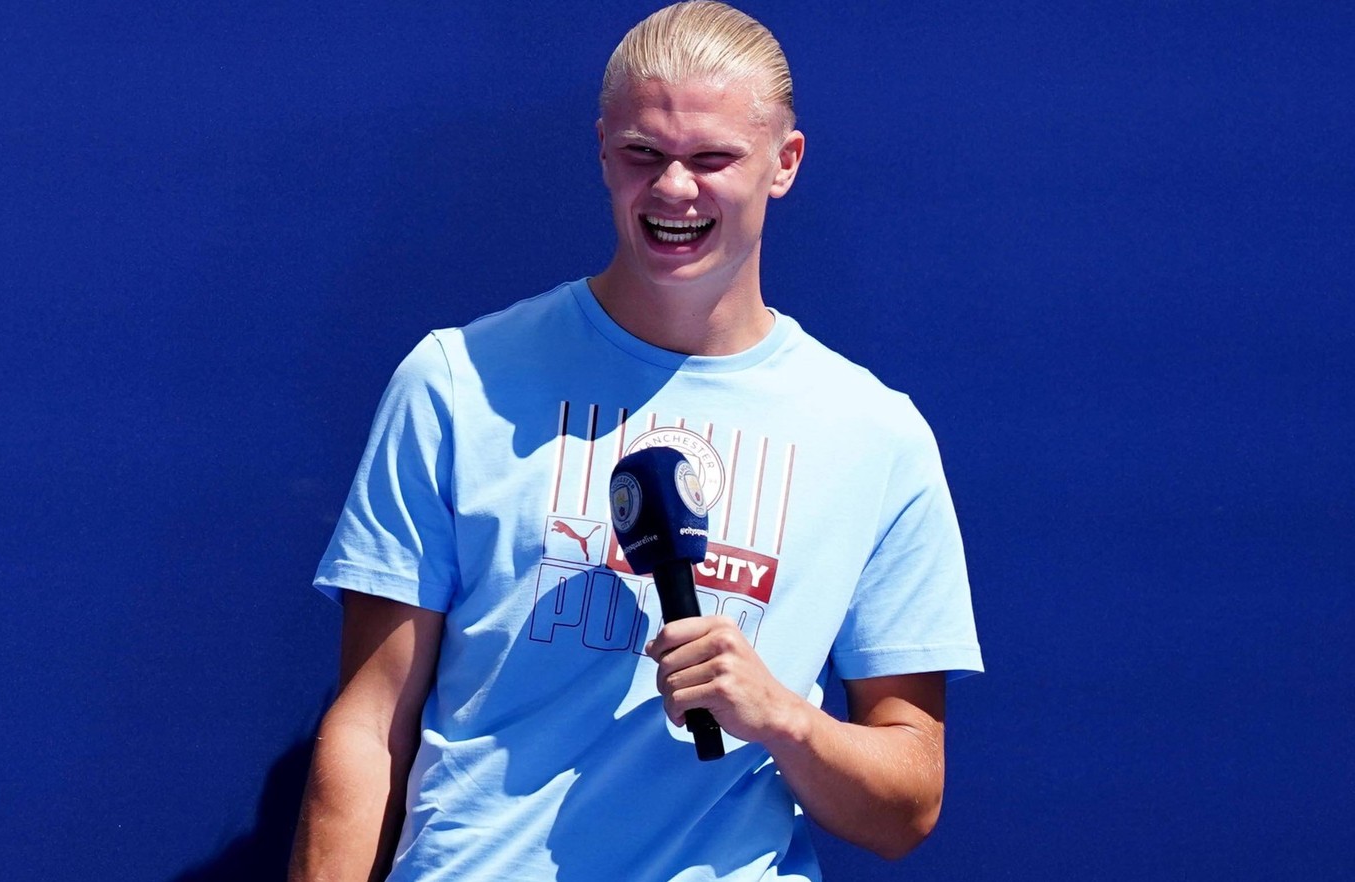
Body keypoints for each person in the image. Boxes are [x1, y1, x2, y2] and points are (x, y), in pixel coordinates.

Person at [289, 3, 982, 880]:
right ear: (604, 151)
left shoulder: (876, 436)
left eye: (714, 158)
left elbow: (908, 802)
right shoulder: (459, 381)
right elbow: (369, 721)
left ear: (785, 164)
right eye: (643, 156)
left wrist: (782, 717)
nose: (674, 190)